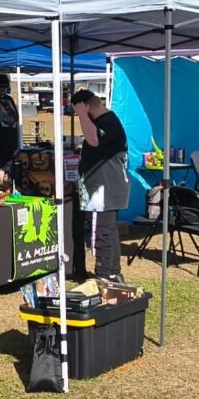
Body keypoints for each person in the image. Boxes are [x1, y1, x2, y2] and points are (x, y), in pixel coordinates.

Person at [72, 89, 129, 279]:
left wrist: (81, 113)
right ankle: (113, 274)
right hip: (105, 189)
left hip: (102, 191)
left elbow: (94, 139)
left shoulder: (107, 122)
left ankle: (103, 276)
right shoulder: (107, 121)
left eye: (78, 112)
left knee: (101, 233)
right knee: (108, 231)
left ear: (86, 106)